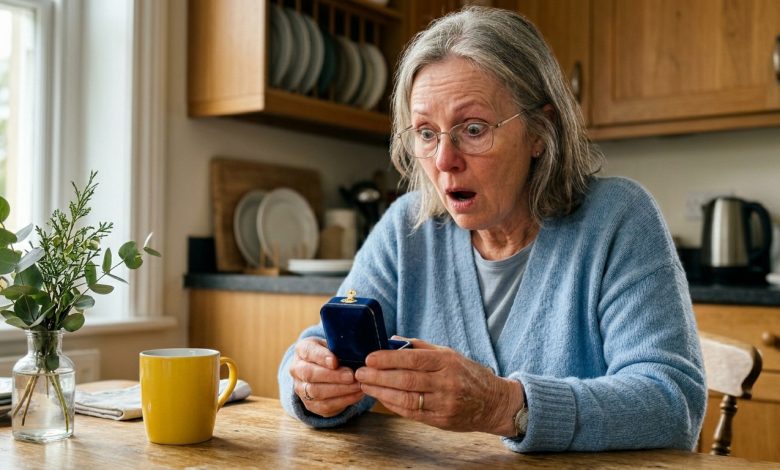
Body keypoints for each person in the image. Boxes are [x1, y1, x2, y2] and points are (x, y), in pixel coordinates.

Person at [278, 6, 706, 453]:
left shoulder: (618, 218)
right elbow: (313, 348)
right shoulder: (408, 226)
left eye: (474, 128)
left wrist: (503, 406)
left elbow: (673, 404)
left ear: (541, 130)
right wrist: (313, 387)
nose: (444, 160)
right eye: (426, 133)